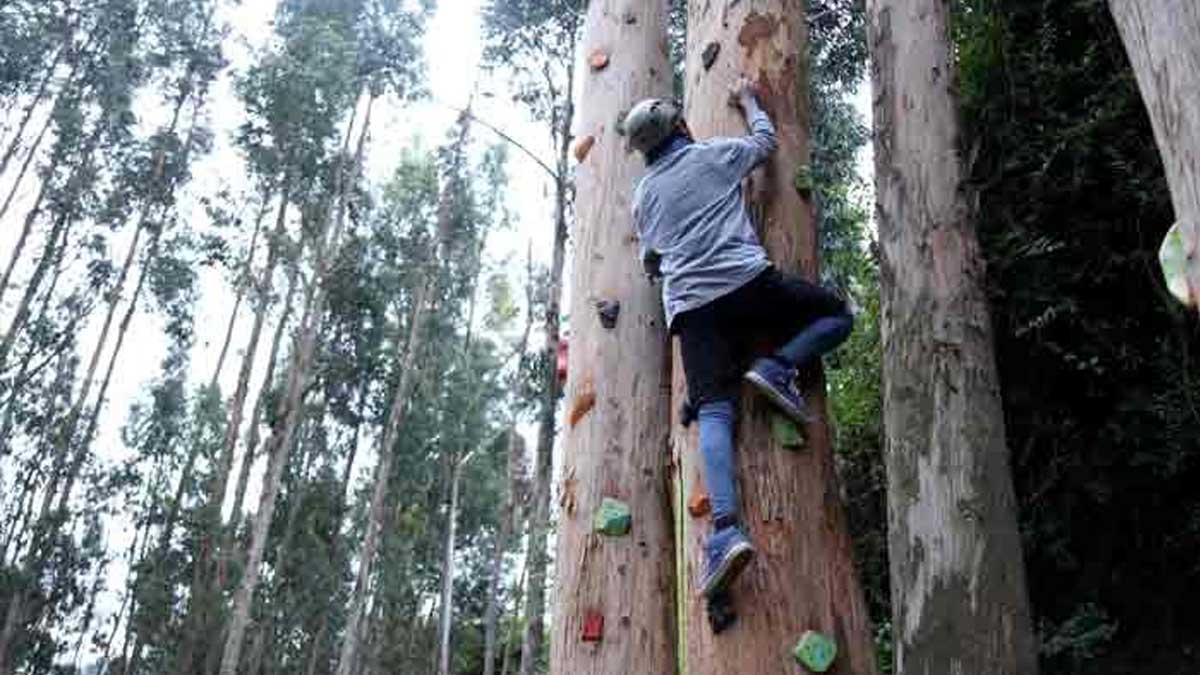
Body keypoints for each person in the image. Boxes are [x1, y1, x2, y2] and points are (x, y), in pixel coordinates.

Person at [627, 78, 854, 599]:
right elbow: (765, 145)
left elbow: (651, 260)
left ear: (642, 150)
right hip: (746, 282)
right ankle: (779, 367)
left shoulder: (643, 198)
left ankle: (725, 530)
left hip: (690, 307)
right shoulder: (714, 156)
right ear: (681, 126)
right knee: (838, 315)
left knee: (713, 411)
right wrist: (750, 101)